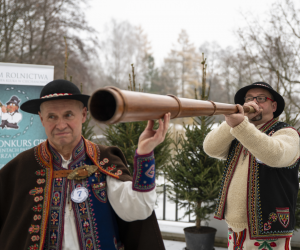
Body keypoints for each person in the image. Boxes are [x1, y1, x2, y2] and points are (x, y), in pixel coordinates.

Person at [0, 79, 170, 250]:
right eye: (52, 117)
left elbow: (139, 209)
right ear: (42, 119)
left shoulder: (104, 159)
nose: (60, 125)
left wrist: (144, 153)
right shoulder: (22, 167)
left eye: (68, 115)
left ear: (83, 115)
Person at [203, 82, 299, 249]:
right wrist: (231, 123)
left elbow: (275, 155)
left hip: (270, 228)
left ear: (274, 105)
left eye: (261, 99)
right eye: (248, 99)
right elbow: (210, 148)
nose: (253, 104)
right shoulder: (239, 132)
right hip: (235, 227)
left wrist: (240, 125)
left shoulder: (287, 133)